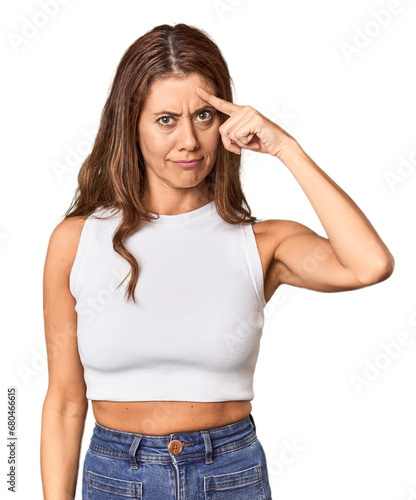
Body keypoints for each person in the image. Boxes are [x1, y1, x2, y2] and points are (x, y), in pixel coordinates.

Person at [40, 23, 394, 500]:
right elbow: (64, 402)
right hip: (116, 477)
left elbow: (369, 264)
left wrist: (285, 147)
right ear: (132, 124)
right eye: (166, 119)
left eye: (204, 115)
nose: (189, 140)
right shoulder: (77, 240)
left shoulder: (262, 243)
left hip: (229, 474)